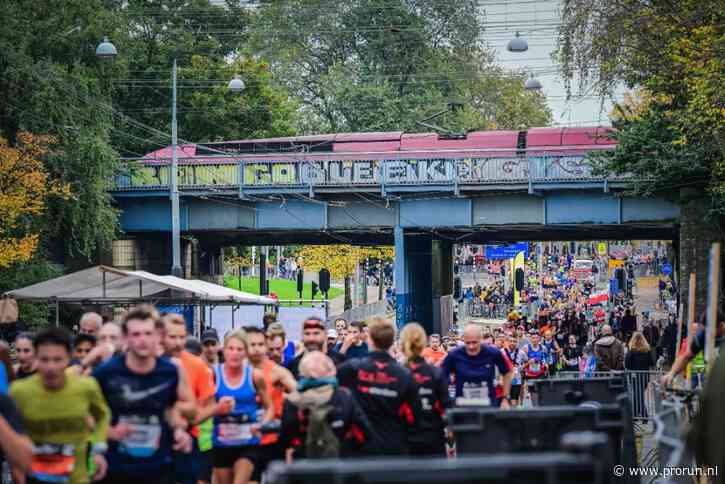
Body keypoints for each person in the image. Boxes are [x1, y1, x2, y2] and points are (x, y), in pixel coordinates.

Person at [92, 305, 195, 484]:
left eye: (148, 333)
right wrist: (107, 432)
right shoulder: (106, 372)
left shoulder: (170, 371)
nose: (143, 340)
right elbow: (83, 412)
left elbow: (179, 408)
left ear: (158, 336)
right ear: (125, 337)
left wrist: (179, 429)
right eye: (136, 334)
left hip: (158, 465)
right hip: (116, 466)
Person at [12, 327, 110, 484]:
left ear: (69, 358)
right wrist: (16, 466)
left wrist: (98, 449)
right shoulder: (19, 391)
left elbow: (103, 415)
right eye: (44, 360)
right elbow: (11, 430)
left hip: (77, 477)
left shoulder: (86, 386)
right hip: (35, 476)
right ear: (36, 357)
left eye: (57, 359)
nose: (51, 367)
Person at [337, 317, 422, 455]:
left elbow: (331, 373)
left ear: (369, 339)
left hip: (361, 447)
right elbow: (415, 417)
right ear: (392, 342)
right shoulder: (405, 375)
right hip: (395, 447)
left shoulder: (354, 368)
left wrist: (344, 347)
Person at [280, 352, 375, 459]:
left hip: (303, 466)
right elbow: (364, 435)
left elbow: (285, 439)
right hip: (339, 464)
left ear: (302, 373)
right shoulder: (344, 396)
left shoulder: (292, 401)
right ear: (331, 371)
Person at [211, 330, 274, 484]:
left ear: (246, 352)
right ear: (223, 350)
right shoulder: (213, 374)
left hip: (248, 441)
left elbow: (270, 407)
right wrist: (218, 407)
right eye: (231, 349)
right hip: (222, 442)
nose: (235, 353)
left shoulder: (255, 375)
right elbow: (204, 407)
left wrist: (261, 425)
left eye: (239, 349)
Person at [162, 314, 217, 484]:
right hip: (153, 437)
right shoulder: (148, 361)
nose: (178, 342)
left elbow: (209, 405)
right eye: (172, 337)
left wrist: (191, 418)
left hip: (188, 437)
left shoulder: (197, 365)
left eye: (181, 337)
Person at [243, 327, 296, 482]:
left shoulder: (277, 371)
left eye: (260, 344)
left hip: (273, 437)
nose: (257, 349)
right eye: (252, 344)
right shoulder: (238, 369)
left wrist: (285, 399)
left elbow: (298, 393)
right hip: (247, 438)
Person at [399, 323, 450, 456]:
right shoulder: (435, 373)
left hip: (406, 441)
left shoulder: (398, 374)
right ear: (423, 344)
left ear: (403, 345)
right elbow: (447, 408)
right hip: (434, 439)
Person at [441, 324, 513, 408]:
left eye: (474, 342)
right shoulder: (454, 355)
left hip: (487, 406)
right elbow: (441, 376)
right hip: (462, 407)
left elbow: (507, 372)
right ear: (463, 340)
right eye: (468, 343)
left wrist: (505, 398)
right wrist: (445, 400)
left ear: (481, 339)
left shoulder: (493, 353)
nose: (471, 346)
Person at [662, 311, 725, 387]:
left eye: (709, 331)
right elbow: (686, 357)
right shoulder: (702, 336)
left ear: (722, 326)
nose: (707, 334)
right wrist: (672, 373)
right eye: (704, 330)